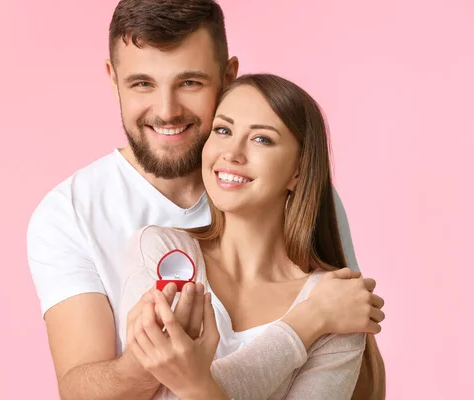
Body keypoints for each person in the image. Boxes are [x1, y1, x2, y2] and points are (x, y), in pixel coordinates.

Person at [26, 1, 386, 399]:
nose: (166, 111)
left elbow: (359, 367)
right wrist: (306, 324)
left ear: (228, 77)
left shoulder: (301, 198)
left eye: (190, 83)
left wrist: (186, 374)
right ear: (113, 81)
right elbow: (81, 392)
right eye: (142, 83)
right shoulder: (73, 214)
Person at [118, 74, 386, 400]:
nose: (232, 152)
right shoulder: (164, 254)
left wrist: (192, 384)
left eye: (261, 139)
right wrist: (306, 323)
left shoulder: (339, 304)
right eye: (223, 130)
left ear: (298, 172)